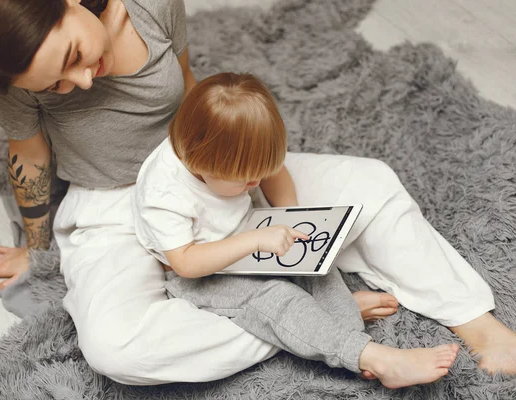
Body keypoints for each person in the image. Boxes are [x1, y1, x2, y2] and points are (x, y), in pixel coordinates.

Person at [0, 0, 516, 386]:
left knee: (371, 179)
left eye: (73, 56)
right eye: (58, 86)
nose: (83, 82)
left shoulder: (151, 6)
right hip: (114, 204)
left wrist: (250, 172)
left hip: (208, 163)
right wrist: (38, 246)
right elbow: (30, 153)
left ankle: (478, 325)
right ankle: (321, 317)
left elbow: (192, 87)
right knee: (116, 350)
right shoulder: (6, 71)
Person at [132, 71, 461, 388]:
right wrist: (255, 239)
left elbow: (275, 174)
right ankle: (374, 358)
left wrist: (289, 216)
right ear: (201, 164)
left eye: (260, 173)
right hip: (202, 274)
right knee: (277, 300)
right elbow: (186, 263)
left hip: (246, 233)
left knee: (318, 264)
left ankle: (342, 333)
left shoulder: (227, 155)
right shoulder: (164, 194)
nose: (256, 183)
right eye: (247, 179)